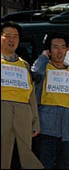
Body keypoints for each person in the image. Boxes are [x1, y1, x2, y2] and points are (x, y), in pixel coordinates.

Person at [31, 32, 69, 169]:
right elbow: (35, 74)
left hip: (68, 131)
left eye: (63, 47)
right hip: (46, 129)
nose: (60, 51)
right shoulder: (43, 70)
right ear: (49, 50)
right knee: (45, 164)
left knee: (66, 165)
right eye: (55, 47)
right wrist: (43, 56)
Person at [1, 21, 43, 169]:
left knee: (24, 156)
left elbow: (31, 94)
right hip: (3, 110)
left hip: (23, 114)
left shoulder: (24, 64)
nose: (12, 40)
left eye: (16, 36)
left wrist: (35, 121)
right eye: (8, 36)